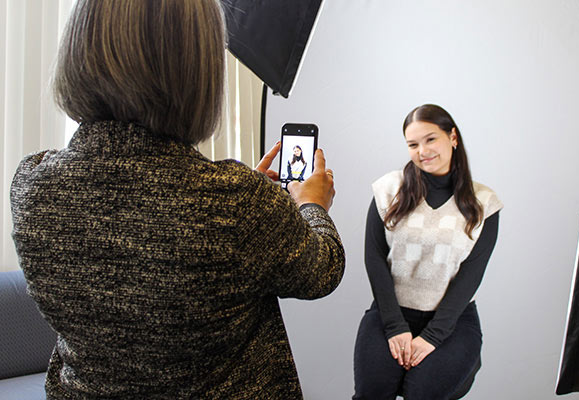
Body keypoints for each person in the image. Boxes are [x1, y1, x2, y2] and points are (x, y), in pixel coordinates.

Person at [10, 1, 344, 399]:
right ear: (196, 71)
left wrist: (243, 201)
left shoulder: (32, 185)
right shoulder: (235, 203)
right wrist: (311, 206)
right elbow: (320, 271)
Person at [353, 104, 503, 399]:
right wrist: (395, 327)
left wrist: (433, 336)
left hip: (452, 320)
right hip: (390, 313)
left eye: (430, 139)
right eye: (413, 144)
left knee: (423, 394)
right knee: (371, 393)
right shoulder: (388, 189)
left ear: (453, 137)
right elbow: (374, 259)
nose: (423, 151)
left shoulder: (484, 202)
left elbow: (471, 276)